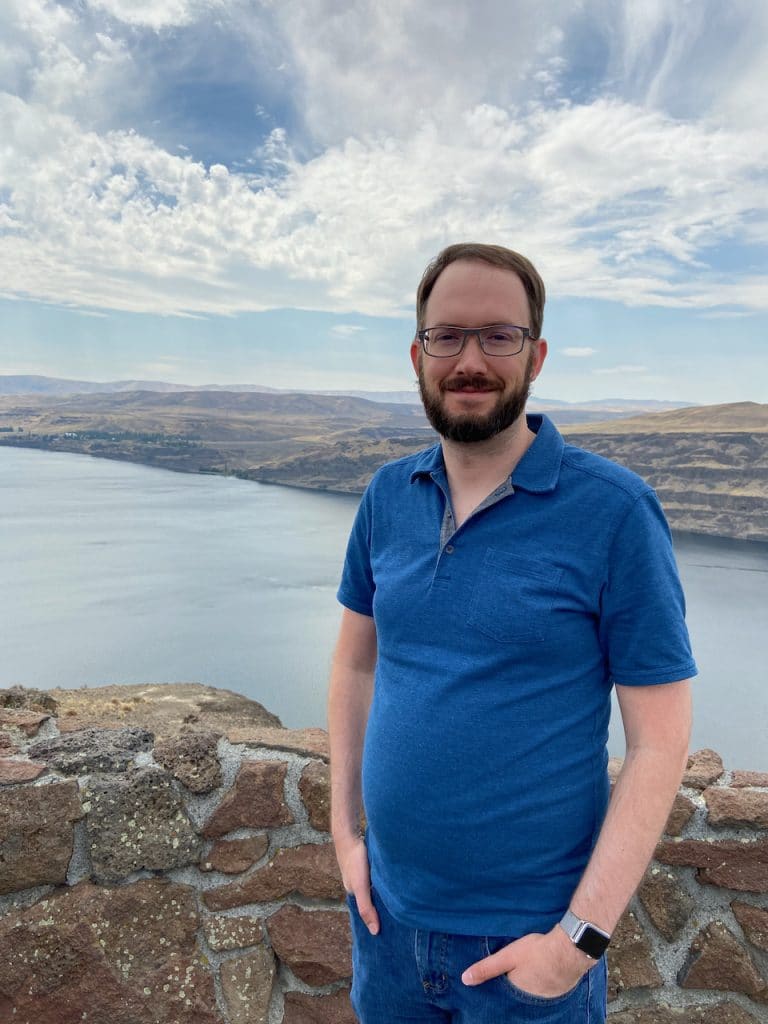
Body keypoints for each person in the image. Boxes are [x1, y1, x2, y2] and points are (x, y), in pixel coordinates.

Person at [328, 242, 695, 1024]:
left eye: (498, 336)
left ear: (536, 355)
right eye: (447, 336)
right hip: (386, 924)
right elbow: (355, 667)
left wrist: (576, 944)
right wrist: (343, 835)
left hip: (528, 945)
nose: (470, 361)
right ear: (418, 355)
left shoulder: (615, 513)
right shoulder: (386, 496)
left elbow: (660, 742)